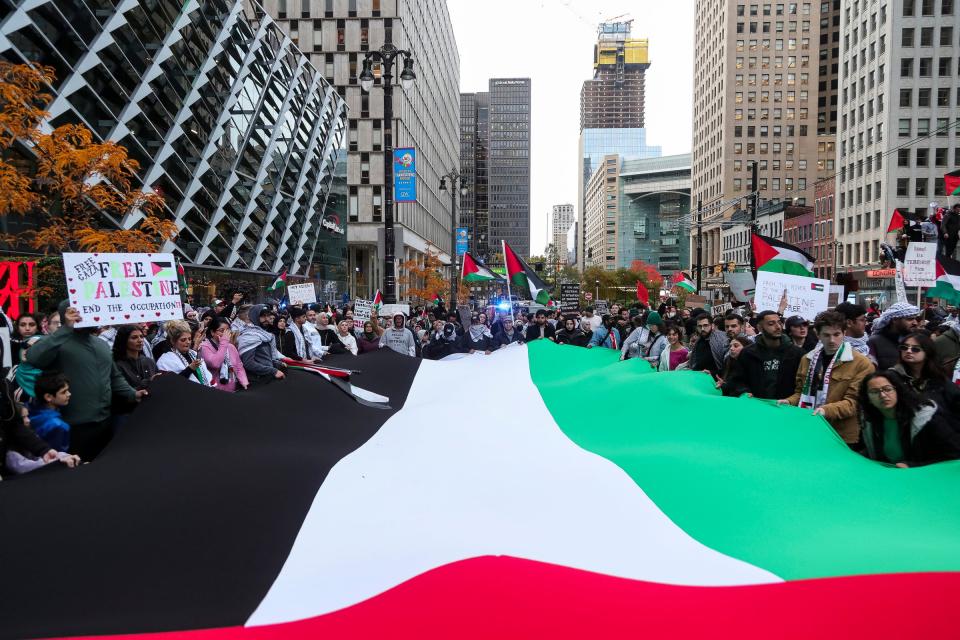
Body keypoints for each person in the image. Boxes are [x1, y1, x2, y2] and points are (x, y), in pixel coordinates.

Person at [26, 303, 145, 461]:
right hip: (71, 427)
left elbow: (114, 378)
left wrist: (133, 394)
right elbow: (34, 358)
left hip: (105, 424)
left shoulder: (101, 344)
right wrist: (66, 328)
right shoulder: (57, 342)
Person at [781, 311, 875, 446]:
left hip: (841, 435)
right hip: (810, 429)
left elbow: (855, 402)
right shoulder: (807, 359)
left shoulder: (861, 363)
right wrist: (789, 402)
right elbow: (801, 393)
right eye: (826, 335)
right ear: (817, 335)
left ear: (844, 333)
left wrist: (826, 410)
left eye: (836, 334)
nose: (832, 340)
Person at [860, 370, 960, 466]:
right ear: (867, 398)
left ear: (897, 391)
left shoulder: (926, 418)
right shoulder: (869, 421)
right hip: (890, 477)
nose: (882, 395)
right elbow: (872, 452)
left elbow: (955, 454)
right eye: (874, 392)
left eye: (887, 389)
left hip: (924, 477)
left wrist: (912, 466)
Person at [722, 310, 802, 399]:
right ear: (759, 328)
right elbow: (738, 380)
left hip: (786, 409)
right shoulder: (748, 353)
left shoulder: (797, 354)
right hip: (757, 408)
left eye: (779, 323)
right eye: (771, 324)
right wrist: (744, 392)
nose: (778, 327)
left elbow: (802, 386)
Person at [892, 331, 959, 411]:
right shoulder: (892, 377)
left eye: (915, 349)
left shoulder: (939, 379)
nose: (908, 351)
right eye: (904, 347)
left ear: (927, 352)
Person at [237, 305, 286, 386]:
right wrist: (273, 371)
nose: (266, 319)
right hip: (256, 382)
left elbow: (265, 358)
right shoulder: (248, 336)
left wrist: (277, 364)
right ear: (254, 316)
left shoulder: (264, 334)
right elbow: (249, 363)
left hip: (267, 379)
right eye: (263, 316)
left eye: (268, 315)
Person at [157, 320, 215, 386]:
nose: (188, 342)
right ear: (173, 341)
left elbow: (207, 376)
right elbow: (171, 384)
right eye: (183, 340)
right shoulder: (165, 360)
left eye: (189, 339)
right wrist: (190, 369)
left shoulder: (194, 353)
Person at [199, 317, 248, 392]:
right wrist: (224, 342)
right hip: (214, 391)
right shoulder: (204, 346)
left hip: (232, 390)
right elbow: (215, 364)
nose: (225, 334)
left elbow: (239, 366)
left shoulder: (231, 347)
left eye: (227, 330)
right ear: (212, 332)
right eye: (222, 331)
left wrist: (244, 382)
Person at [868, 302, 920, 369]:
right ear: (895, 319)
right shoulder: (875, 341)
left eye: (915, 319)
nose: (915, 323)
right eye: (910, 319)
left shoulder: (918, 339)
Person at [112, 325, 158, 392]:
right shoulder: (117, 365)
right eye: (134, 338)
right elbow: (120, 393)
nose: (140, 340)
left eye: (141, 337)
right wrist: (147, 382)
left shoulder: (149, 362)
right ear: (124, 340)